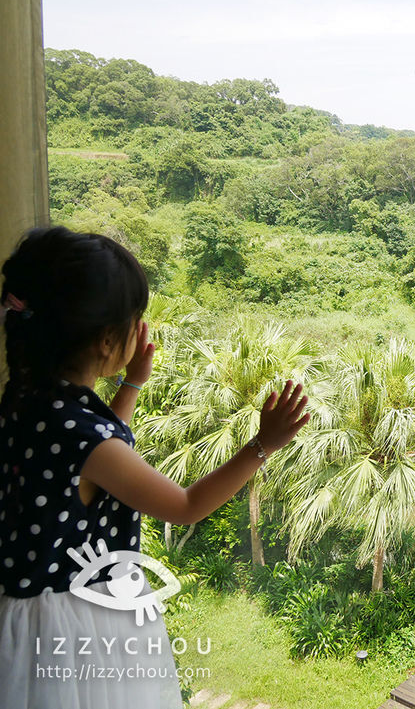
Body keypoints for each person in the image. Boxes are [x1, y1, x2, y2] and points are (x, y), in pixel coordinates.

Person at [0, 226, 311, 708]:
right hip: (77, 627)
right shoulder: (84, 436)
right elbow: (184, 506)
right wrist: (262, 445)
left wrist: (132, 384)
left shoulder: (29, 400)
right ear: (107, 340)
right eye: (135, 319)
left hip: (26, 618)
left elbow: (103, 454)